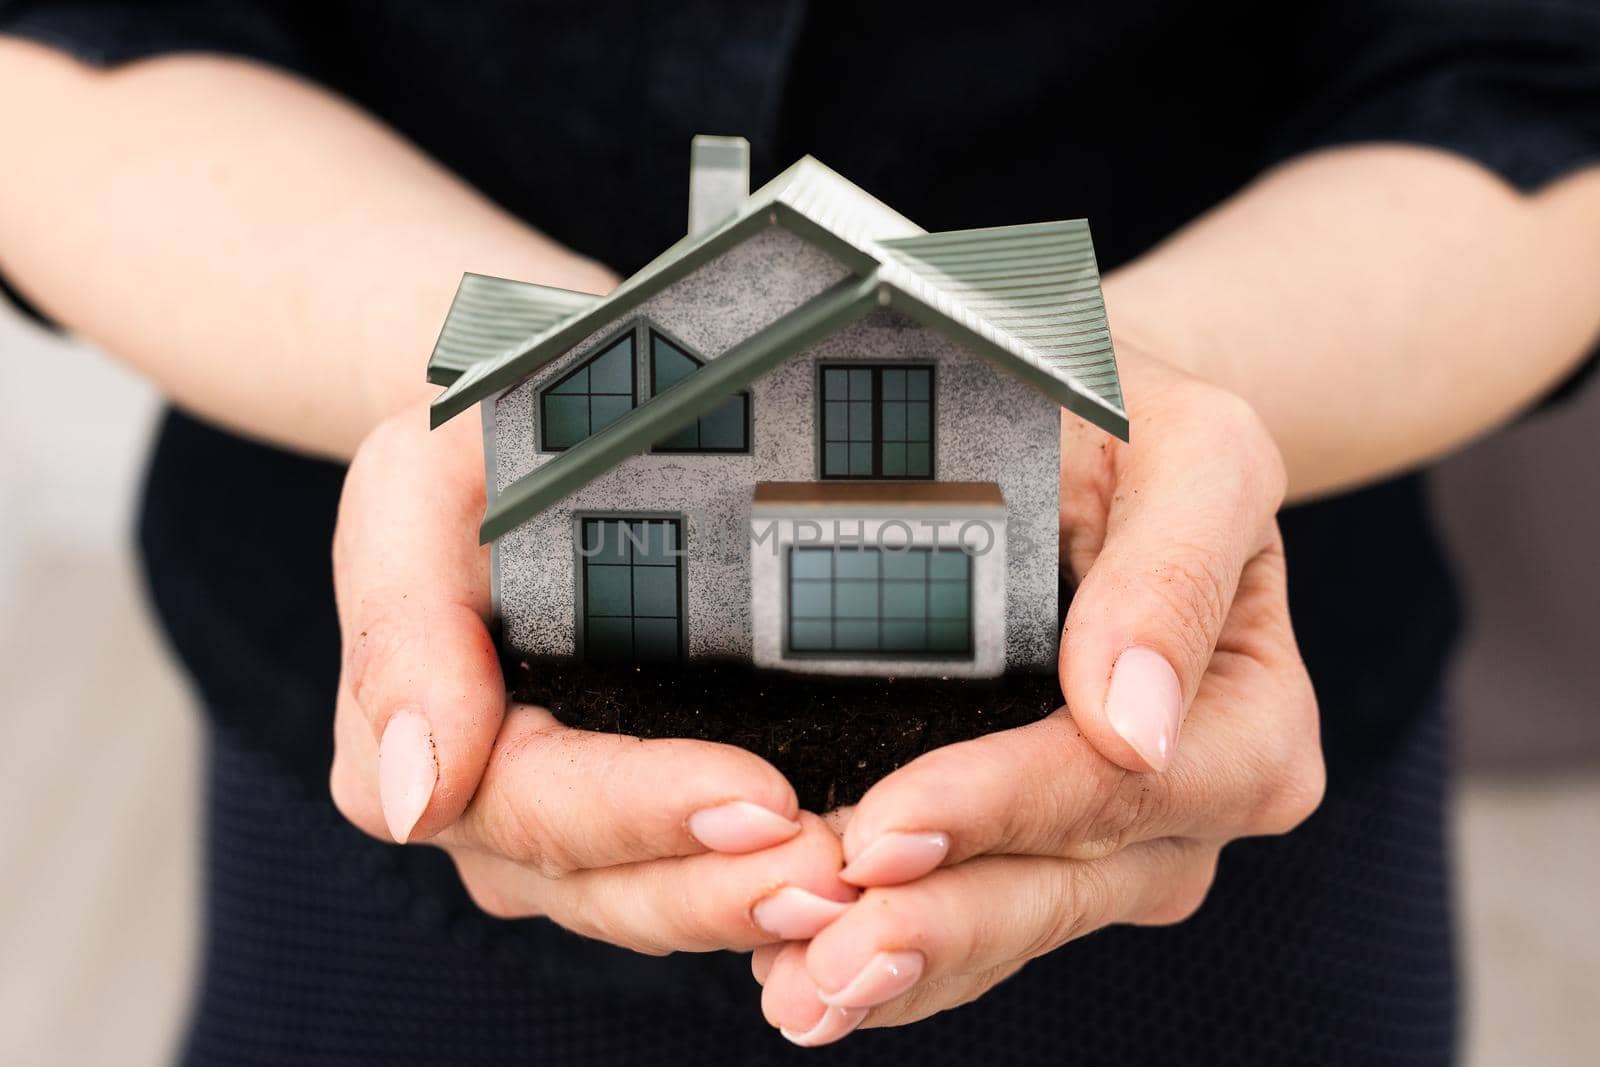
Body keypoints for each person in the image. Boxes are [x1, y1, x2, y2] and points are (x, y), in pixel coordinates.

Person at [2, 2, 1596, 1062]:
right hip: (378, 786)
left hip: (1224, 802)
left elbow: (1538, 73)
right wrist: (522, 394)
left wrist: (1140, 409)